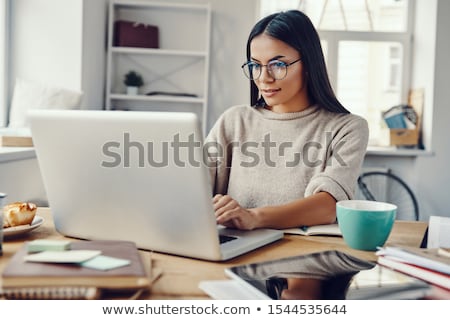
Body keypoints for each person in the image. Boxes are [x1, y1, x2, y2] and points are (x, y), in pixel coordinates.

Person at [205, 10, 369, 230]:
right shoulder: (234, 121)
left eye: (278, 65)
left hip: (302, 256)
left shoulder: (347, 128)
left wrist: (254, 217)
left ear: (309, 64)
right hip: (236, 252)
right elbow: (193, 188)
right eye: (255, 65)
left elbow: (328, 206)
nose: (264, 78)